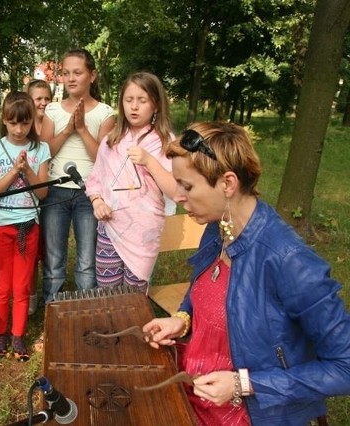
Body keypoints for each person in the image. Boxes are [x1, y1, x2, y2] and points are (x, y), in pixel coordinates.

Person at [142, 122, 350, 425]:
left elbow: (344, 367)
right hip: (193, 389)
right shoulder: (218, 226)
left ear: (228, 183)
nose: (179, 196)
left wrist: (243, 384)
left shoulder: (289, 261)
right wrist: (182, 318)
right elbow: (206, 288)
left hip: (249, 414)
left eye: (187, 186)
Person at [86, 72, 176, 291]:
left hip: (144, 232)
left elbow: (176, 190)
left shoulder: (166, 142)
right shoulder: (111, 140)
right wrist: (98, 202)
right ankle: (112, 327)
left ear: (155, 105)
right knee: (108, 292)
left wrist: (149, 161)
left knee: (134, 298)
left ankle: (134, 327)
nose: (134, 107)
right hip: (110, 228)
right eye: (129, 100)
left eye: (142, 100)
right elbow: (95, 180)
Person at [39, 48, 115, 302]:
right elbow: (44, 152)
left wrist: (81, 129)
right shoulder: (52, 110)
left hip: (89, 194)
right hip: (55, 192)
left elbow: (103, 160)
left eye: (78, 73)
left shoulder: (105, 113)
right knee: (54, 255)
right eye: (66, 73)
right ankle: (52, 305)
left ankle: (85, 308)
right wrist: (67, 130)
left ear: (92, 76)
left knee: (86, 258)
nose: (71, 78)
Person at [0, 91, 51, 361]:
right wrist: (13, 171)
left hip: (28, 226)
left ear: (32, 121)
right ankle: (0, 333)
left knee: (22, 286)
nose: (19, 129)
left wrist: (28, 171)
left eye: (25, 123)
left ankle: (18, 335)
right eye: (13, 123)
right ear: (4, 120)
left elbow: (43, 193)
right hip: (0, 227)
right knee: (2, 286)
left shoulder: (41, 149)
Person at [24, 79, 53, 315]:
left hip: (51, 192)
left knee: (48, 246)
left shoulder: (54, 123)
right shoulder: (24, 128)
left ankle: (48, 291)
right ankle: (31, 294)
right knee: (30, 249)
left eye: (47, 98)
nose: (43, 103)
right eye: (38, 98)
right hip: (28, 196)